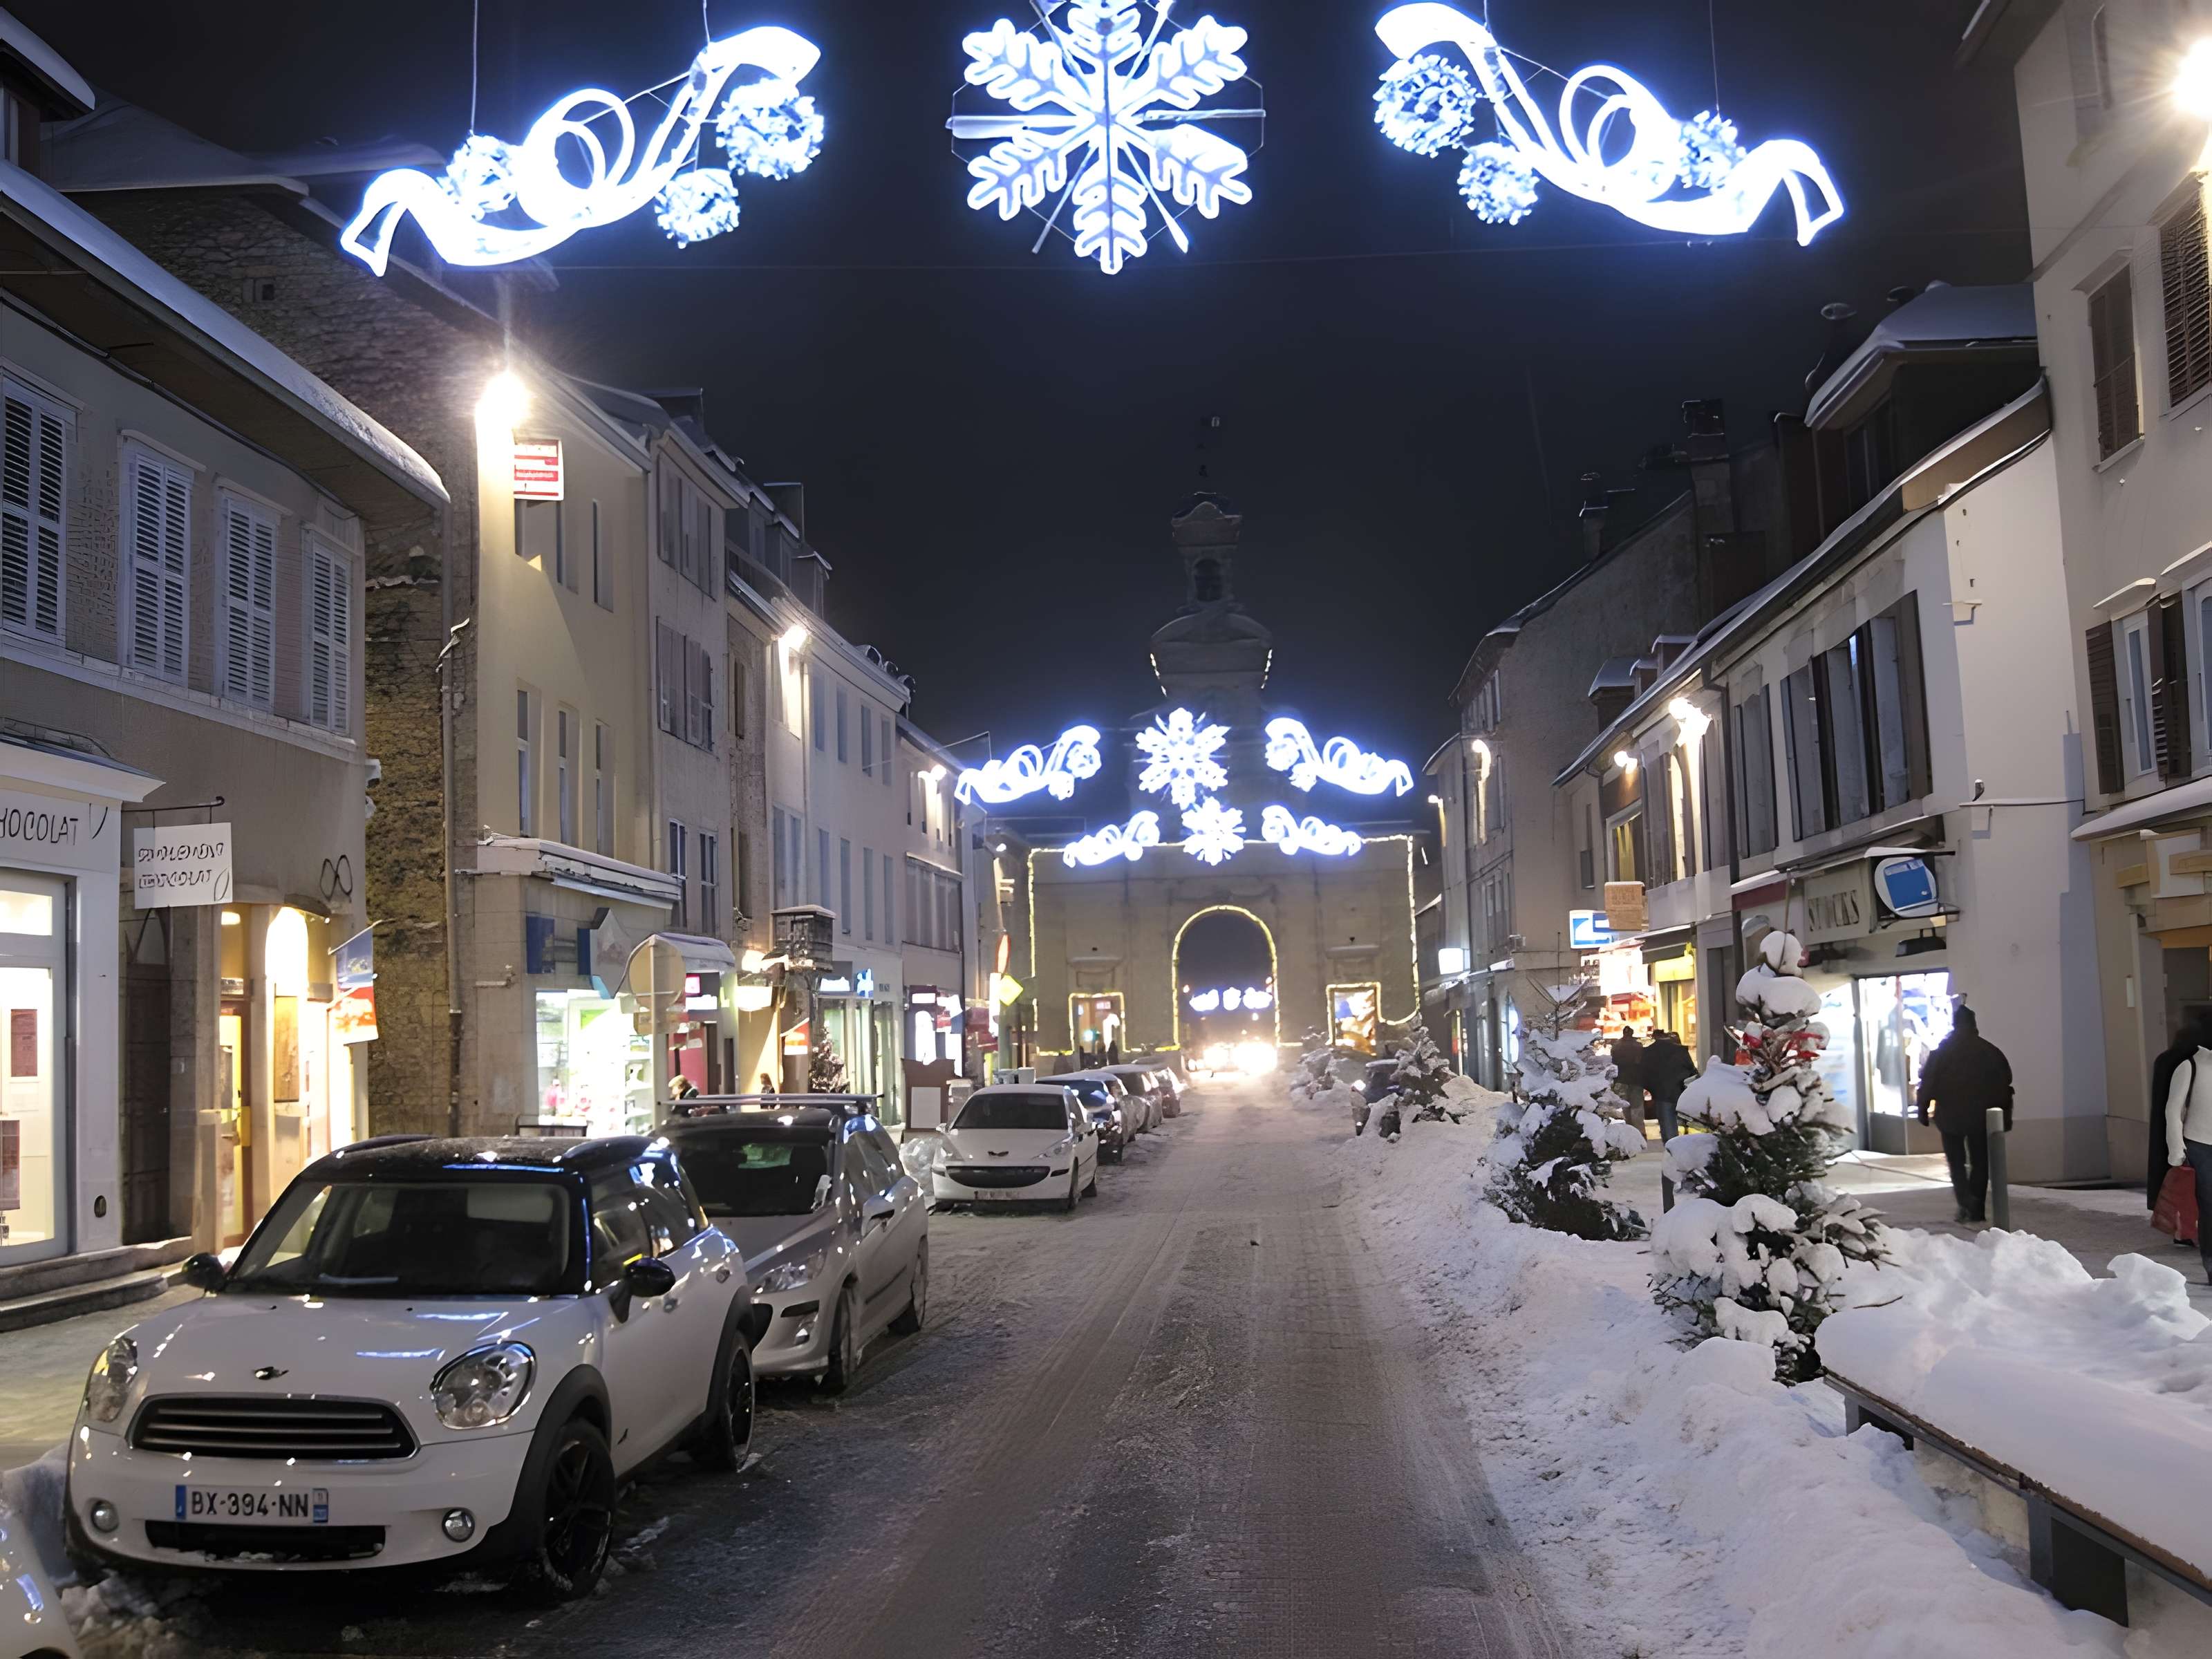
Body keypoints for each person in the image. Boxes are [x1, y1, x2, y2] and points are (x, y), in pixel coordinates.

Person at [1915, 1006, 2013, 1224]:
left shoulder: (1943, 1052)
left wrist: (1923, 1109)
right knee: (1980, 1162)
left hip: (1950, 1117)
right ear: (1974, 1024)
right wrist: (2004, 1118)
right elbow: (2004, 1085)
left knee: (1956, 1162)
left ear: (1955, 1024)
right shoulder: (1989, 1051)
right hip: (1981, 1119)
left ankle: (1965, 1203)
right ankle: (1976, 1205)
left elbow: (1929, 1082)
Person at [2164, 1027, 2212, 1283]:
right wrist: (2176, 1148)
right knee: (2210, 1208)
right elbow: (2173, 1110)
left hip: (2201, 1143)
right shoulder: (2190, 1066)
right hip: (2200, 1144)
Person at [1643, 1029, 1698, 1142]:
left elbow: (1645, 1075)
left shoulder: (1650, 1052)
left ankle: (1671, 1147)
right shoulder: (1680, 1051)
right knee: (1683, 1121)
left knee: (1667, 1125)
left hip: (1662, 1094)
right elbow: (1692, 1071)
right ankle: (1683, 1143)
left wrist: (1652, 1090)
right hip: (1680, 1091)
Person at [1611, 1028, 1649, 1133]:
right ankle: (1640, 1131)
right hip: (1636, 1079)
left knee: (1625, 1107)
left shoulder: (1617, 1046)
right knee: (1637, 1107)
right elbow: (1643, 1063)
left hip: (1622, 1079)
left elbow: (1613, 1061)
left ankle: (1629, 1129)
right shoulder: (1638, 1046)